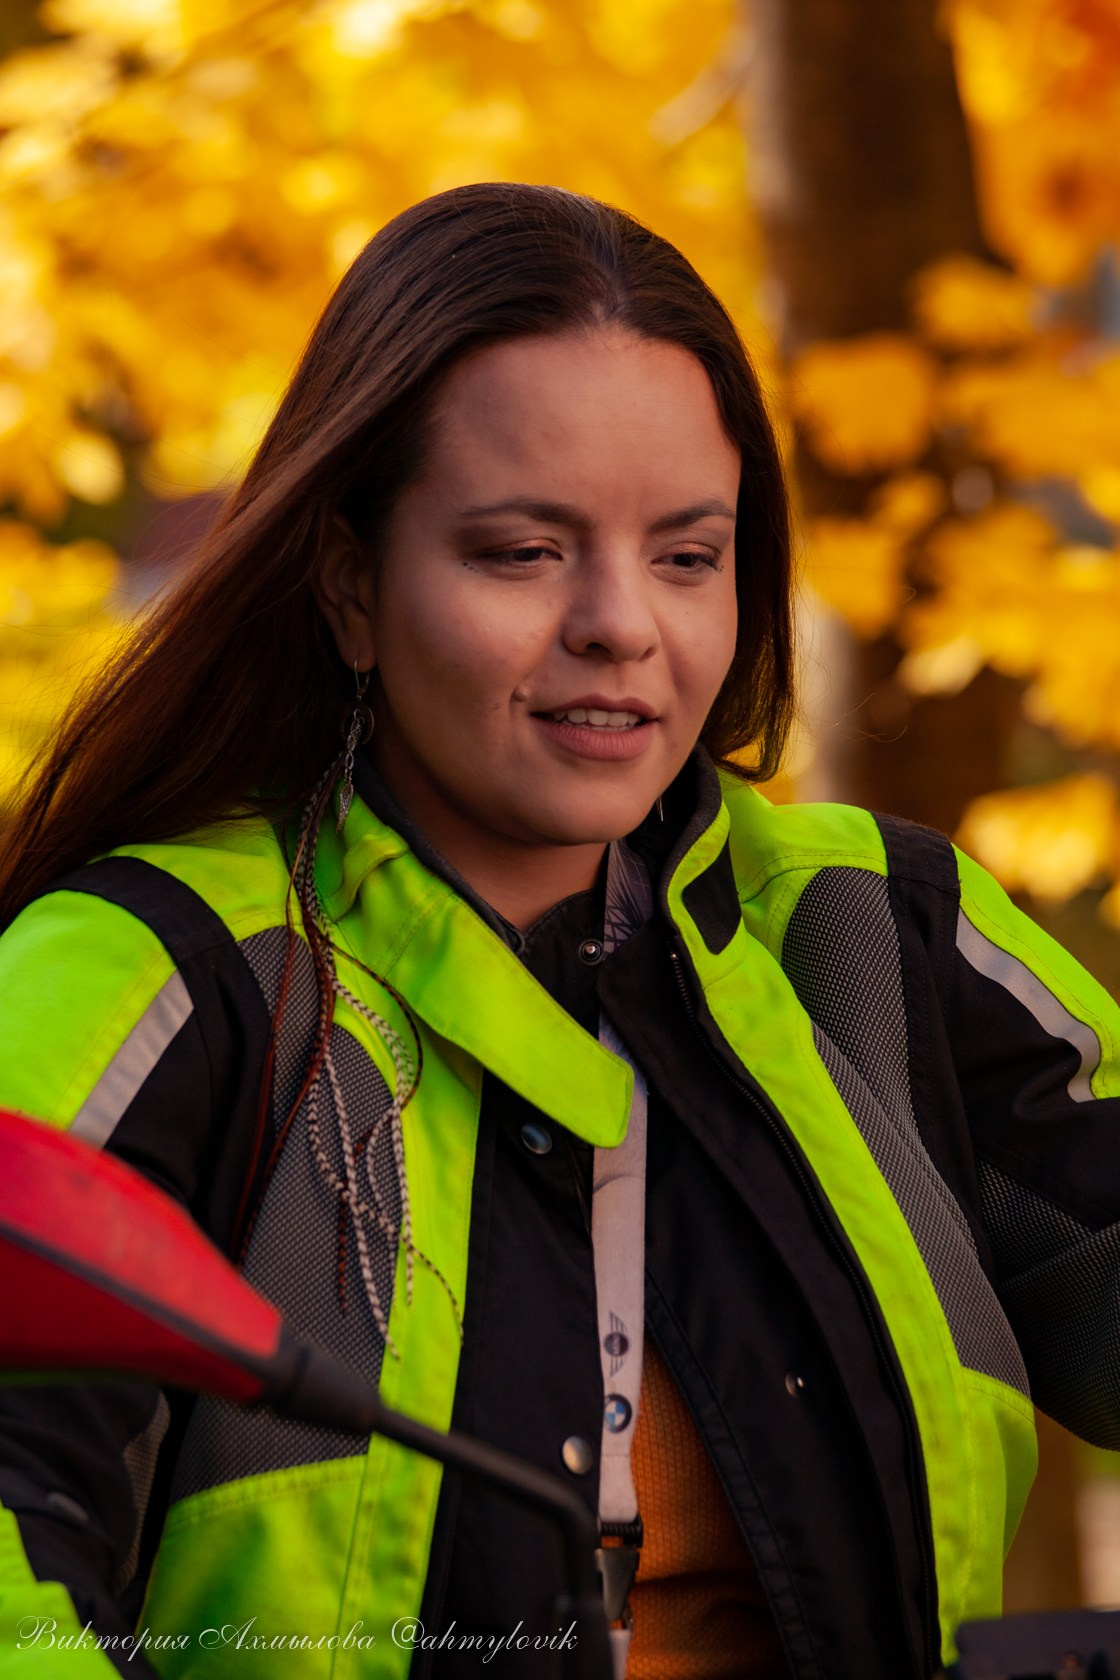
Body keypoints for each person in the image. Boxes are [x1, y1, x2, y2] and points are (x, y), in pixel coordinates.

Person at [0, 181, 1118, 1680]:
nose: (621, 624)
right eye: (524, 551)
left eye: (687, 554)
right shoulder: (147, 981)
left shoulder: (868, 939)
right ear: (348, 582)